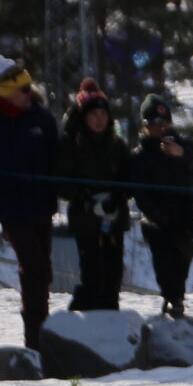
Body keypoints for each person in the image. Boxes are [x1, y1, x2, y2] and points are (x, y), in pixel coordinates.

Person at [0, 58, 59, 347]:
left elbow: (55, 156)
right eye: (22, 89)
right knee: (33, 266)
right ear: (6, 92)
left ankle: (39, 324)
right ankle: (34, 335)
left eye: (29, 87)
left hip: (41, 202)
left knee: (43, 269)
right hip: (9, 205)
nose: (28, 93)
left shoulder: (41, 118)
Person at [129, 95, 193, 319]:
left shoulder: (185, 147)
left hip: (186, 218)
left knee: (182, 266)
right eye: (156, 124)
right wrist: (159, 216)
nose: (162, 128)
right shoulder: (141, 156)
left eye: (166, 123)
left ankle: (177, 299)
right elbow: (141, 194)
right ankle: (172, 299)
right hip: (159, 222)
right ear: (146, 126)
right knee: (165, 267)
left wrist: (182, 155)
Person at [56, 87, 132, 312]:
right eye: (93, 115)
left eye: (102, 114)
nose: (99, 119)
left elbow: (130, 177)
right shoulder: (72, 144)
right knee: (92, 273)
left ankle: (110, 314)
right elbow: (60, 182)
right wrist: (84, 195)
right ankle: (86, 315)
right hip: (86, 219)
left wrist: (117, 196)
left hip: (115, 218)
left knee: (113, 273)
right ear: (84, 117)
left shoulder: (117, 144)